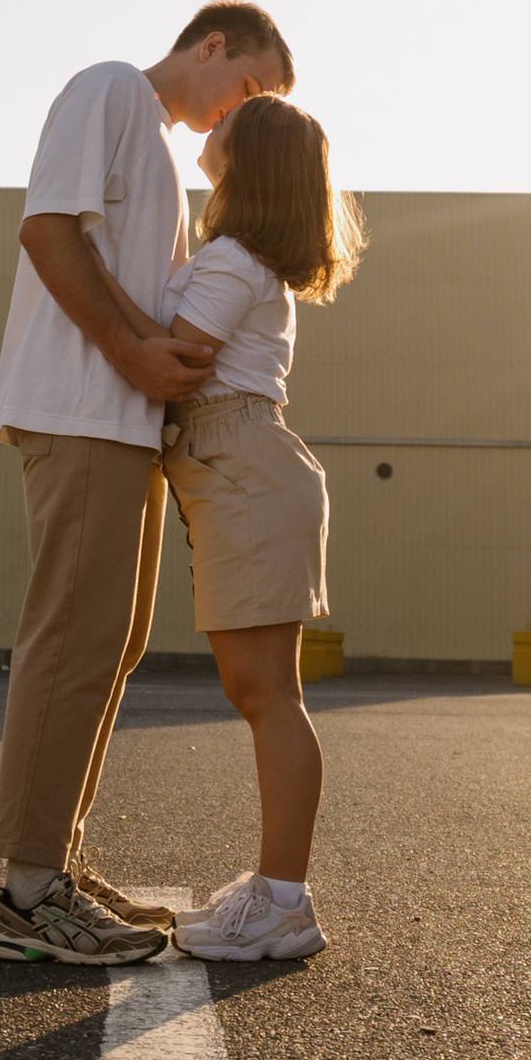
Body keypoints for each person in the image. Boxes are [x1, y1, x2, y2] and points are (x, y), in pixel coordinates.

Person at [0, 2, 295, 965]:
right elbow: (44, 231)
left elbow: (148, 298)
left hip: (122, 421)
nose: (242, 112)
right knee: (73, 639)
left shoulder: (163, 158)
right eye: (249, 86)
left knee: (107, 649)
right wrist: (132, 351)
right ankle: (29, 895)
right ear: (211, 46)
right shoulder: (111, 85)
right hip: (79, 406)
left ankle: (55, 864)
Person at [158, 94, 363, 960]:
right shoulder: (241, 259)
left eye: (227, 128)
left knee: (266, 693)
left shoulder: (234, 261)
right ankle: (277, 891)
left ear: (251, 164)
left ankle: (284, 902)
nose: (212, 130)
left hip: (239, 462)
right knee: (265, 691)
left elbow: (169, 354)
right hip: (238, 464)